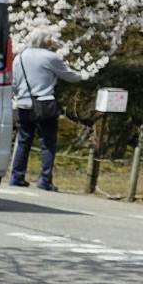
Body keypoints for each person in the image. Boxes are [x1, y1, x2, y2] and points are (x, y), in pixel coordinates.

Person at [10, 34, 87, 191]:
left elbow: (13, 83)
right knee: (48, 144)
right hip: (45, 105)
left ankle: (17, 176)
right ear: (46, 41)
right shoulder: (50, 57)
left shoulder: (20, 57)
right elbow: (69, 76)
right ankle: (45, 180)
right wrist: (82, 75)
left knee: (23, 141)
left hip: (24, 104)